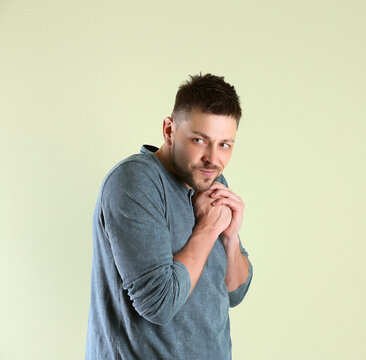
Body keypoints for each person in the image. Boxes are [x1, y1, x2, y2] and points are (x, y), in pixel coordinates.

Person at [85, 74, 253, 359]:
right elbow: (159, 304)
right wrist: (209, 229)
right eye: (200, 140)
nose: (213, 158)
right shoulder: (135, 181)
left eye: (225, 144)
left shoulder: (213, 182)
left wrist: (230, 237)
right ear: (169, 130)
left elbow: (235, 292)